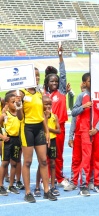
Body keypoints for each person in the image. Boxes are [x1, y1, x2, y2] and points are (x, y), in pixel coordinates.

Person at [17, 67, 57, 202]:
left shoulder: (39, 93)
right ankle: (28, 193)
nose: (37, 78)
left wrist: (46, 131)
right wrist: (18, 105)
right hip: (27, 128)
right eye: (35, 76)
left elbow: (42, 116)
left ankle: (46, 190)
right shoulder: (21, 94)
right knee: (27, 162)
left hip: (39, 128)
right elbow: (19, 117)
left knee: (44, 160)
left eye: (38, 76)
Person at [71, 73, 99, 195]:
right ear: (85, 83)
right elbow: (74, 112)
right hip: (85, 132)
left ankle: (97, 182)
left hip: (97, 132)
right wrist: (83, 106)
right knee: (86, 158)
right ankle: (84, 184)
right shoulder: (82, 96)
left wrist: (97, 129)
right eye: (90, 81)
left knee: (98, 157)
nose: (92, 83)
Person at [43, 46, 69, 187]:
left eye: (56, 81)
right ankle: (45, 178)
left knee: (58, 154)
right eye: (51, 81)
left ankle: (59, 177)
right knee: (46, 155)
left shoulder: (62, 92)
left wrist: (60, 57)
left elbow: (63, 74)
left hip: (59, 129)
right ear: (47, 83)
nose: (54, 83)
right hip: (46, 129)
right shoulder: (43, 96)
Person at [34, 96, 61, 197]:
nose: (48, 106)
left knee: (53, 163)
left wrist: (49, 129)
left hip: (53, 141)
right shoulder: (40, 117)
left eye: (50, 104)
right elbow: (42, 127)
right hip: (43, 141)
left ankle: (53, 186)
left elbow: (59, 130)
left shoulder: (54, 116)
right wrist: (45, 116)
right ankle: (37, 186)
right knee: (41, 163)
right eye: (46, 104)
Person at [0, 92, 22, 195]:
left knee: (14, 163)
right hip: (8, 140)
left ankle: (11, 185)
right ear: (7, 103)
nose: (14, 104)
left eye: (16, 102)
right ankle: (1, 186)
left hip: (17, 140)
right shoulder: (5, 114)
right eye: (12, 102)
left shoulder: (19, 114)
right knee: (5, 163)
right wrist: (2, 137)